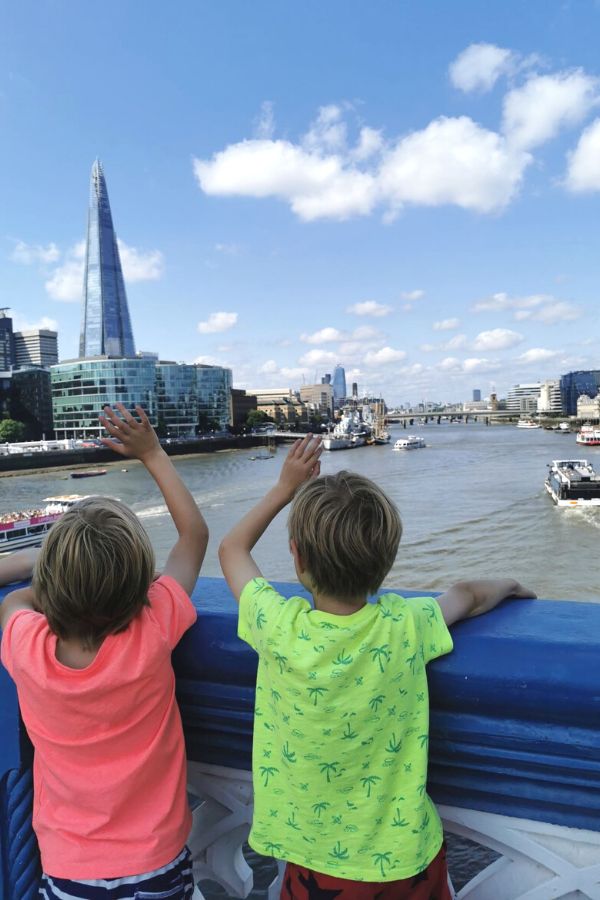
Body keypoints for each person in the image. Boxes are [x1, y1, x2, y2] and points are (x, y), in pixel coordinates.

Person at [218, 434, 536, 898]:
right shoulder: (405, 624)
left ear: (298, 558)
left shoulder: (278, 627)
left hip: (318, 864)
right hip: (408, 858)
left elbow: (231, 550)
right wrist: (512, 585)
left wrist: (285, 488)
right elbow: (467, 594)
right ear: (385, 562)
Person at [0, 403, 208, 900]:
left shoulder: (26, 643)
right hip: (157, 861)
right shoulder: (153, 627)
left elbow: (15, 595)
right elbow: (194, 536)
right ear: (141, 585)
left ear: (50, 584)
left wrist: (37, 564)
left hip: (69, 869)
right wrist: (152, 453)